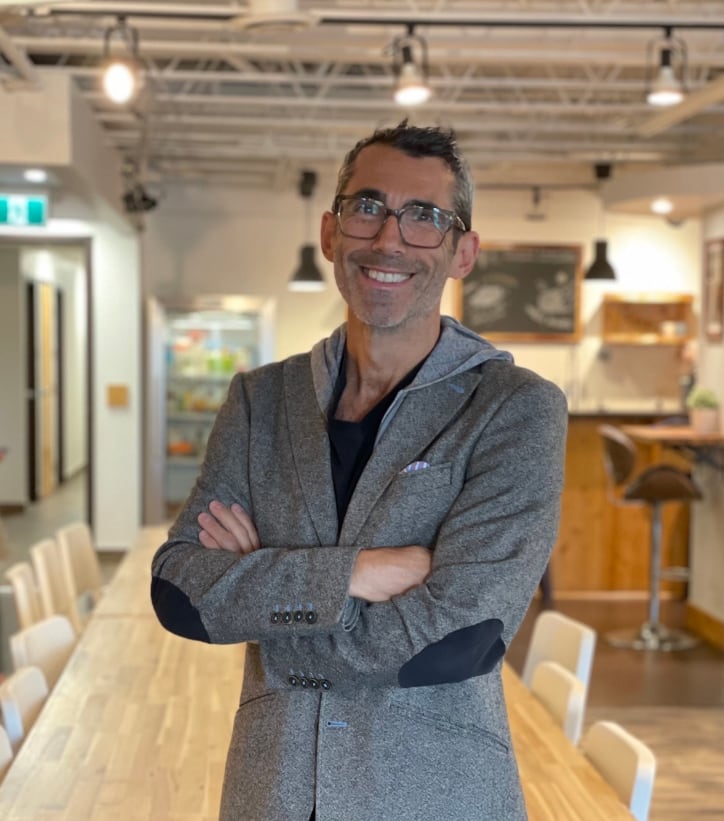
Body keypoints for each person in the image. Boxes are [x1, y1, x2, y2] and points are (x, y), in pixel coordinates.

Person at [151, 121, 567, 821]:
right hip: (272, 789)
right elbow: (179, 591)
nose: (389, 239)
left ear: (464, 252)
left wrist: (262, 591)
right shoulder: (261, 400)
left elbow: (456, 639)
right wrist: (356, 573)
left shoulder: (515, 410)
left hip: (434, 794)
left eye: (425, 217)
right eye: (367, 207)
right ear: (330, 231)